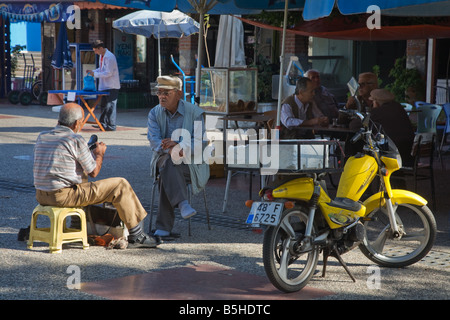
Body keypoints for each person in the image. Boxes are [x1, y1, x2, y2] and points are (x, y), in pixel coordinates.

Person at [33, 103, 158, 248]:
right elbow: (93, 171)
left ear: (59, 120)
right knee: (120, 184)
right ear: (76, 123)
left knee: (80, 179)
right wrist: (99, 154)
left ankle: (76, 224)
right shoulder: (75, 139)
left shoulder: (42, 136)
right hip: (62, 196)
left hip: (41, 194)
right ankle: (137, 236)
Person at [147, 75, 210, 240]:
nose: (162, 96)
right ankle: (182, 204)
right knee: (169, 163)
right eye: (159, 92)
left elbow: (201, 143)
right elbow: (154, 141)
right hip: (164, 158)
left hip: (191, 164)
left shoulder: (195, 113)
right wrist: (172, 150)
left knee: (167, 174)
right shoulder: (154, 113)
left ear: (179, 94)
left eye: (166, 92)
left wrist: (179, 146)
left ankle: (163, 227)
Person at [369, 88, 415, 166]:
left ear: (376, 102)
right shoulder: (398, 107)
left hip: (391, 155)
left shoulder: (377, 112)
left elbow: (357, 125)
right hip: (408, 152)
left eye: (372, 102)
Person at [87, 40, 120, 131]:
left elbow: (108, 72)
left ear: (100, 48)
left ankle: (111, 125)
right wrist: (93, 71)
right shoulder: (102, 56)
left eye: (95, 50)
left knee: (110, 106)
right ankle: (103, 123)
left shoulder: (110, 57)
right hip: (105, 85)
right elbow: (102, 69)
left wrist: (95, 75)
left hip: (112, 85)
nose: (95, 52)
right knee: (104, 105)